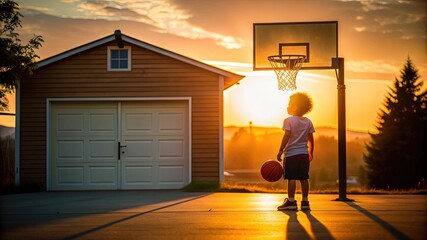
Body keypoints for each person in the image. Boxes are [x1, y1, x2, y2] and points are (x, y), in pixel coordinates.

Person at [276, 92, 314, 211]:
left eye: (289, 104)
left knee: (291, 178)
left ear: (296, 107)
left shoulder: (288, 120)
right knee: (304, 178)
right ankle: (305, 202)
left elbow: (287, 136)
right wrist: (311, 152)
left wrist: (280, 150)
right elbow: (311, 139)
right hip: (303, 154)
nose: (287, 106)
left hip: (291, 154)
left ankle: (291, 201)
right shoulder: (308, 121)